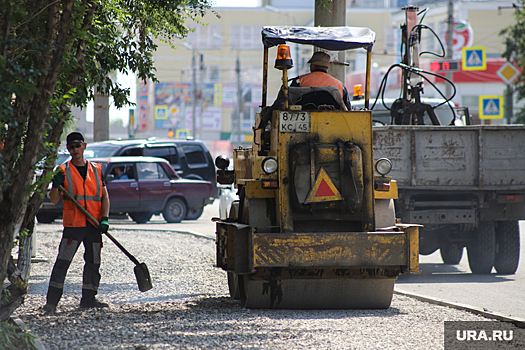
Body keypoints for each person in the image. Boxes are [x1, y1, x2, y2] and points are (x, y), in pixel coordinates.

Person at [42, 132, 111, 313]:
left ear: (84, 146)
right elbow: (54, 199)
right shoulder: (62, 171)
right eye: (71, 147)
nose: (74, 150)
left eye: (77, 146)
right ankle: (51, 302)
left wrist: (104, 218)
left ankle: (89, 298)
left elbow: (104, 196)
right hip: (74, 225)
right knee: (62, 262)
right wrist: (56, 185)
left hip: (94, 224)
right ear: (68, 149)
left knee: (94, 262)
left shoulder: (96, 169)